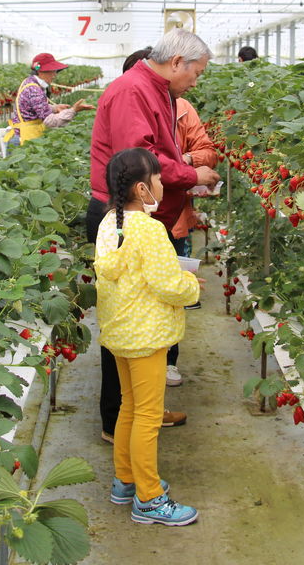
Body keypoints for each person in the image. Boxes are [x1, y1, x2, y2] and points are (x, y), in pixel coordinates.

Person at [88, 29, 219, 442]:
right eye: (196, 72)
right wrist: (191, 175)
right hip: (124, 216)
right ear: (177, 61)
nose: (196, 81)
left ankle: (142, 408)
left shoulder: (157, 90)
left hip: (141, 216)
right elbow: (138, 163)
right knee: (126, 321)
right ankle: (118, 422)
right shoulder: (133, 91)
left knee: (138, 319)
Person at [95, 147, 200, 526]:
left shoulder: (111, 224)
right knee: (149, 417)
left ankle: (125, 481)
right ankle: (150, 498)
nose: (161, 183)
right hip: (147, 335)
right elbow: (168, 285)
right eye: (157, 179)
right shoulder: (150, 230)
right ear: (142, 188)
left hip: (120, 333)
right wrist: (191, 284)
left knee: (128, 407)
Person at [120, 47, 218, 385]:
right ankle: (142, 370)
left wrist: (184, 163)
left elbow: (207, 151)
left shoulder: (182, 108)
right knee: (146, 296)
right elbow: (139, 163)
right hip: (146, 218)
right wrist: (183, 171)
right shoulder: (132, 101)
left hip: (172, 217)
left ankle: (166, 361)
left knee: (170, 295)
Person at [5, 53, 93, 146]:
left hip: (21, 135)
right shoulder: (34, 90)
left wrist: (54, 108)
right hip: (22, 138)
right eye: (53, 71)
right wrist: (73, 110)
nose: (55, 75)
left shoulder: (29, 82)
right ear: (41, 72)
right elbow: (50, 122)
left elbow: (33, 107)